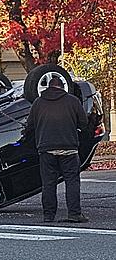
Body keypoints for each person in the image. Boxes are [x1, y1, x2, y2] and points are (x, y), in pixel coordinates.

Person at [22, 76, 89, 223]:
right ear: (62, 87)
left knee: (48, 183)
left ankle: (49, 215)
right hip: (69, 148)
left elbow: (29, 127)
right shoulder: (73, 101)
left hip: (46, 149)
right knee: (72, 181)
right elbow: (84, 123)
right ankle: (74, 214)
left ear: (48, 87)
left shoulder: (38, 103)